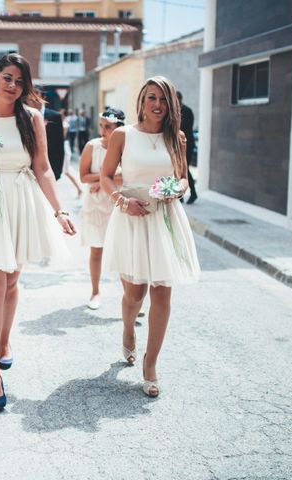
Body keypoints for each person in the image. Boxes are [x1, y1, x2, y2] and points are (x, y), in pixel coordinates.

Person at [0, 53, 76, 411]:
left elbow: (43, 168)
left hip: (22, 202)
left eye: (20, 81)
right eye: (7, 78)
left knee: (10, 282)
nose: (12, 86)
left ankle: (4, 341)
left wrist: (60, 210)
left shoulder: (33, 118)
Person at [100, 76, 200, 397]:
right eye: (152, 98)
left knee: (162, 292)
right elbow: (105, 176)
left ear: (172, 105)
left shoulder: (177, 138)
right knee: (135, 293)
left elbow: (183, 178)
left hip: (165, 218)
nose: (158, 105)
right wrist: (123, 201)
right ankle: (128, 330)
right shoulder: (122, 135)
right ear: (142, 101)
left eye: (164, 100)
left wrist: (176, 190)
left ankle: (151, 362)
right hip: (132, 215)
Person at [78, 107, 125, 310]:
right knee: (96, 251)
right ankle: (95, 291)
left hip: (117, 202)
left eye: (108, 127)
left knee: (122, 251)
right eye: (102, 126)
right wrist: (103, 178)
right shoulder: (92, 146)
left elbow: (128, 176)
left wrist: (104, 179)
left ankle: (129, 296)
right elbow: (83, 177)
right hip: (96, 204)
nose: (103, 131)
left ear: (119, 128)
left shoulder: (126, 147)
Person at [25, 88, 65, 181]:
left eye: (36, 95)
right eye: (29, 97)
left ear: (43, 97)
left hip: (50, 164)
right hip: (29, 167)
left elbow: (59, 144)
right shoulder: (23, 116)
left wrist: (58, 171)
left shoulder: (55, 116)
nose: (32, 98)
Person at [177, 91, 197, 204]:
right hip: (178, 144)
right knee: (180, 169)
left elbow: (183, 128)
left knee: (184, 169)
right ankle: (181, 195)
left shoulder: (187, 111)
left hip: (187, 144)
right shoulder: (175, 111)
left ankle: (193, 193)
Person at [61, 110, 84, 197]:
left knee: (67, 172)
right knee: (66, 172)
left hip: (64, 147)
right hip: (64, 147)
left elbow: (62, 136)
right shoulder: (64, 123)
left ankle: (79, 189)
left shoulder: (65, 124)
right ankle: (79, 189)